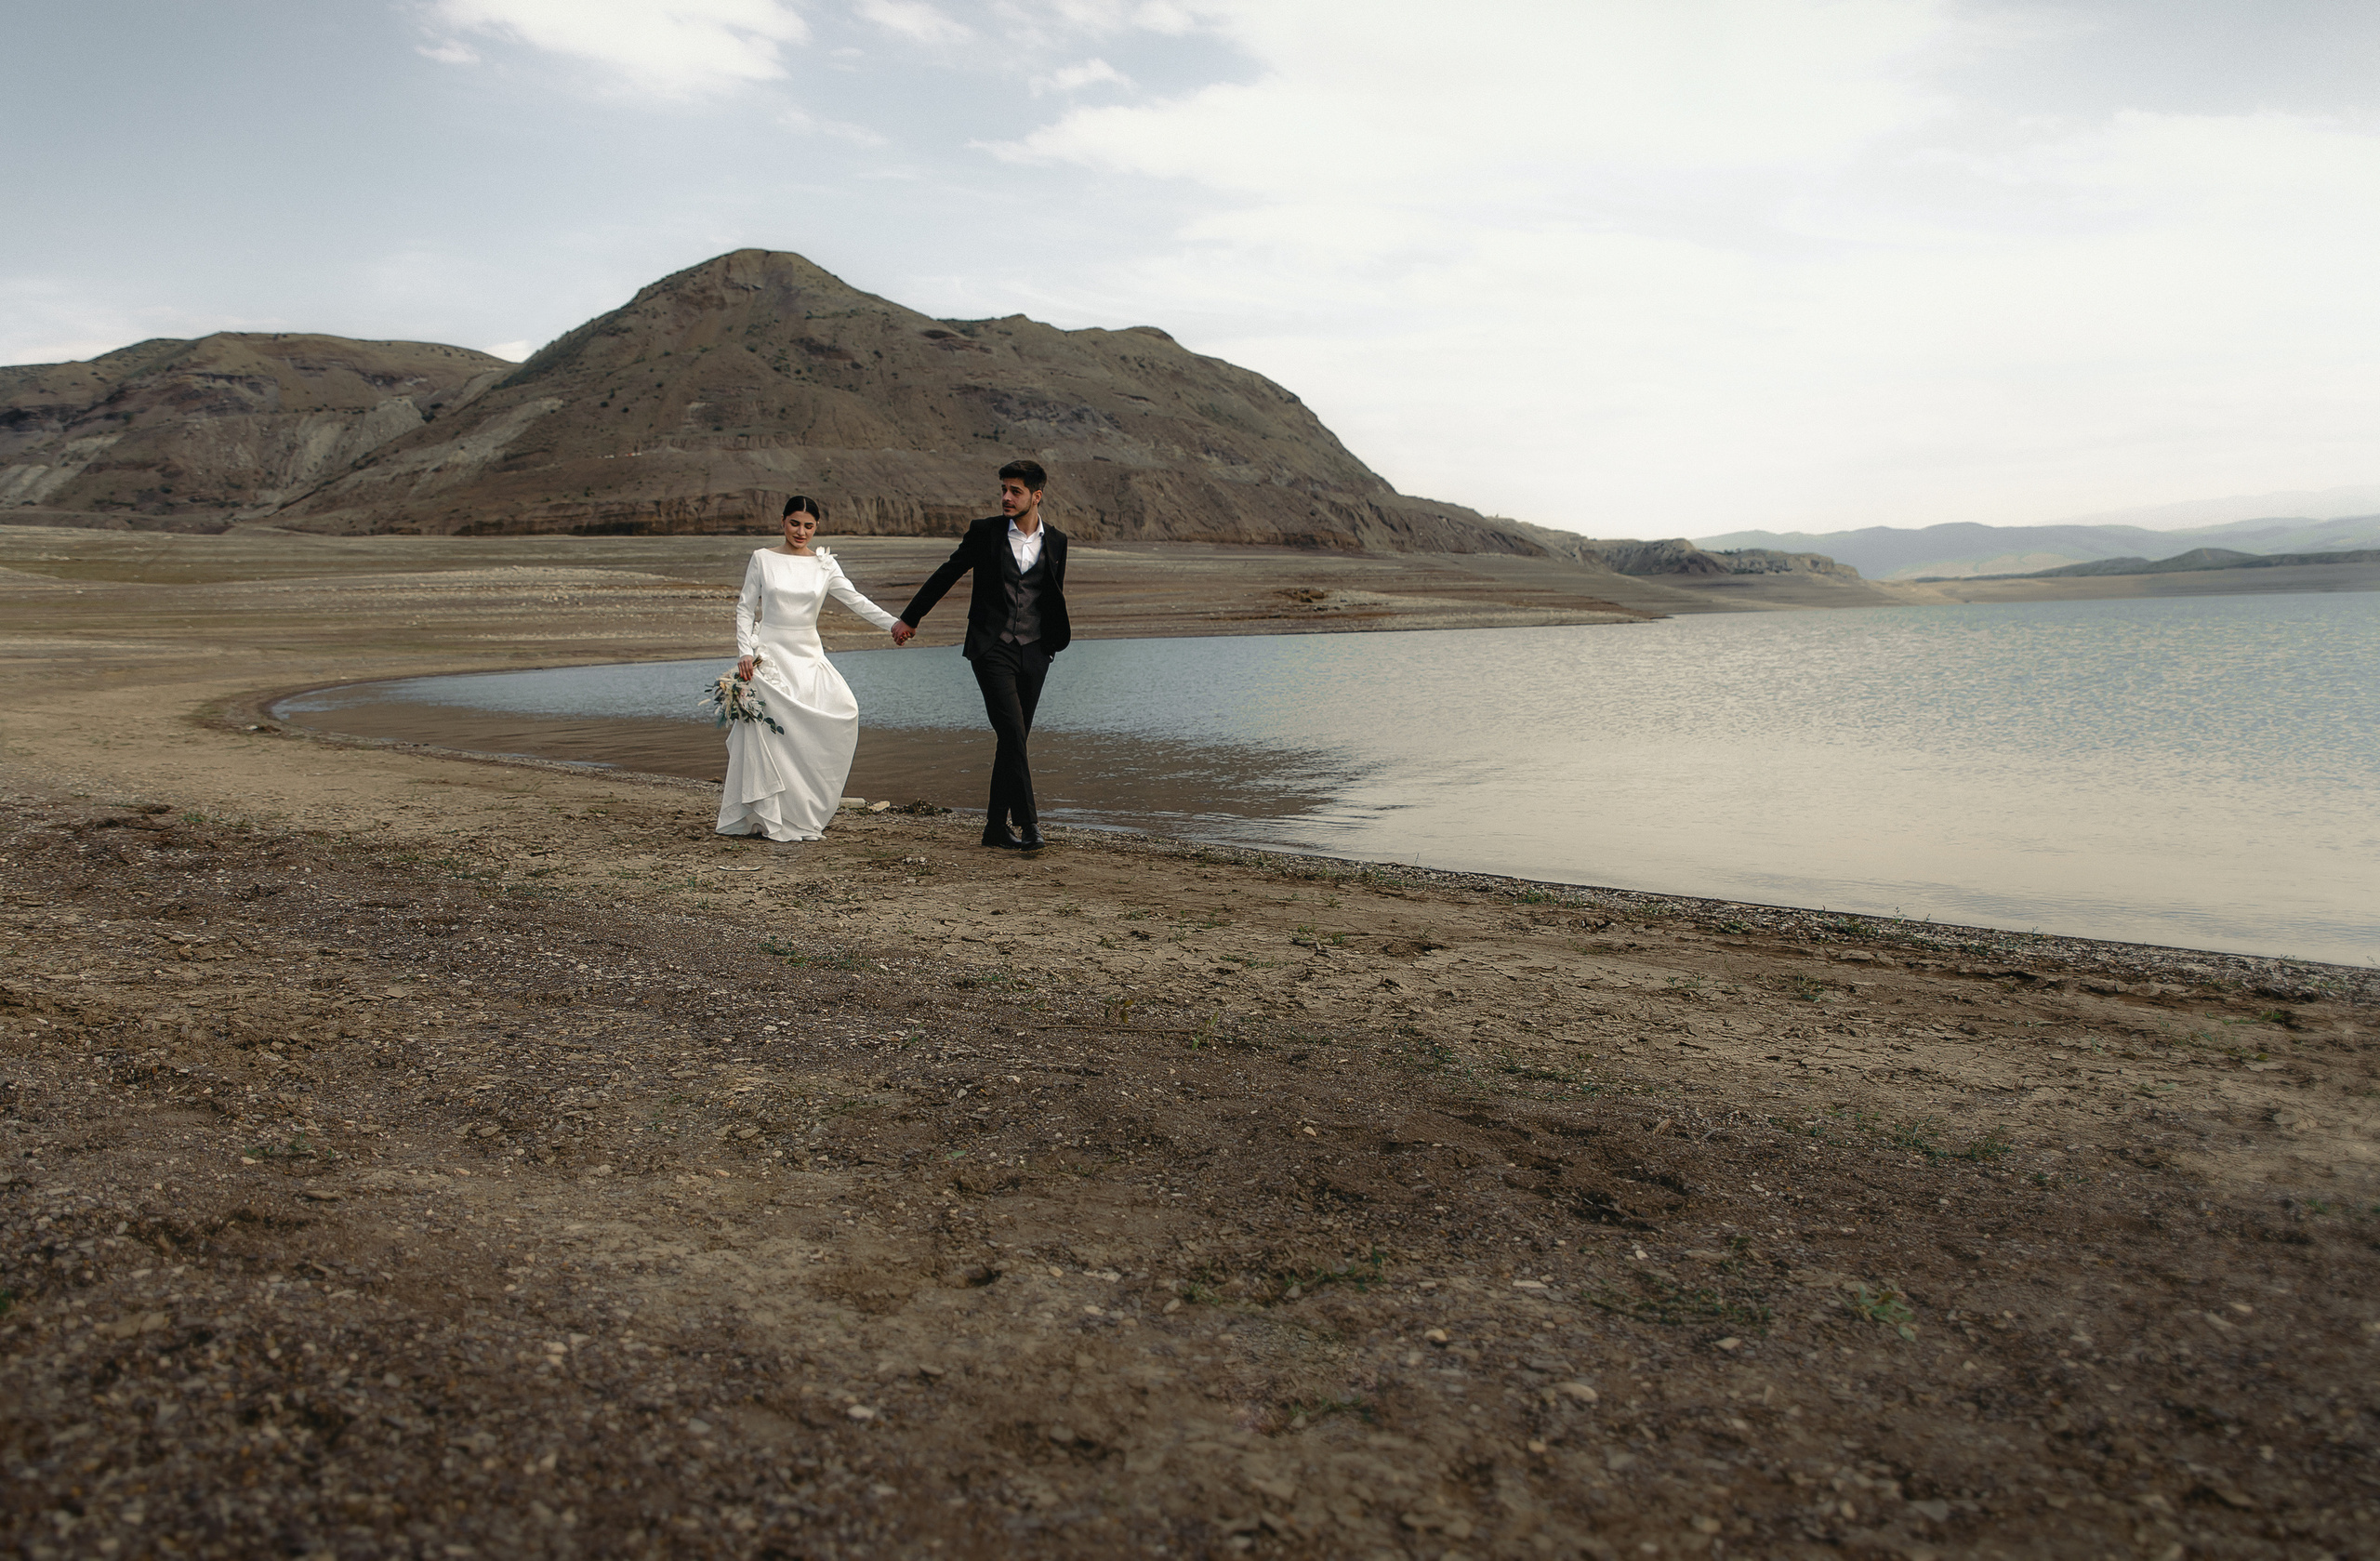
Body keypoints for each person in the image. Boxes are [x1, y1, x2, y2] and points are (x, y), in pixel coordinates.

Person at [892, 459, 1071, 852]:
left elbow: (1052, 597)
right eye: (1003, 490)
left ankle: (994, 827)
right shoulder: (985, 532)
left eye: (1016, 491)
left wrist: (1050, 646)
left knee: (1014, 738)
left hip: (1036, 651)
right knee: (1011, 731)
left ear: (1036, 496)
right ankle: (1028, 824)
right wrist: (910, 617)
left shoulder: (1057, 541)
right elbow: (947, 572)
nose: (1006, 497)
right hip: (992, 647)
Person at [715, 496, 904, 842]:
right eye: (794, 523)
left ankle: (803, 810)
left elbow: (856, 600)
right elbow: (745, 607)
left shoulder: (824, 565)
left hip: (808, 656)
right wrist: (745, 651)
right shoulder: (762, 558)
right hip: (770, 656)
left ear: (817, 528)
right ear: (782, 521)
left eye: (809, 526)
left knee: (843, 712)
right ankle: (768, 815)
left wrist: (896, 623)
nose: (801, 532)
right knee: (774, 735)